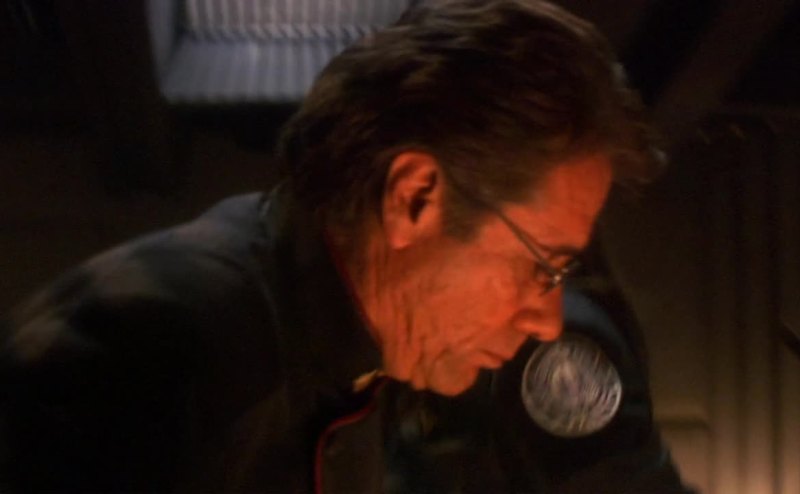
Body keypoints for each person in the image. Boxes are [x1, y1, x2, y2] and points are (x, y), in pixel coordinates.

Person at [1, 0, 692, 492]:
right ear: (414, 198)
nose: (545, 320)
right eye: (541, 265)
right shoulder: (162, 353)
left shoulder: (350, 359)